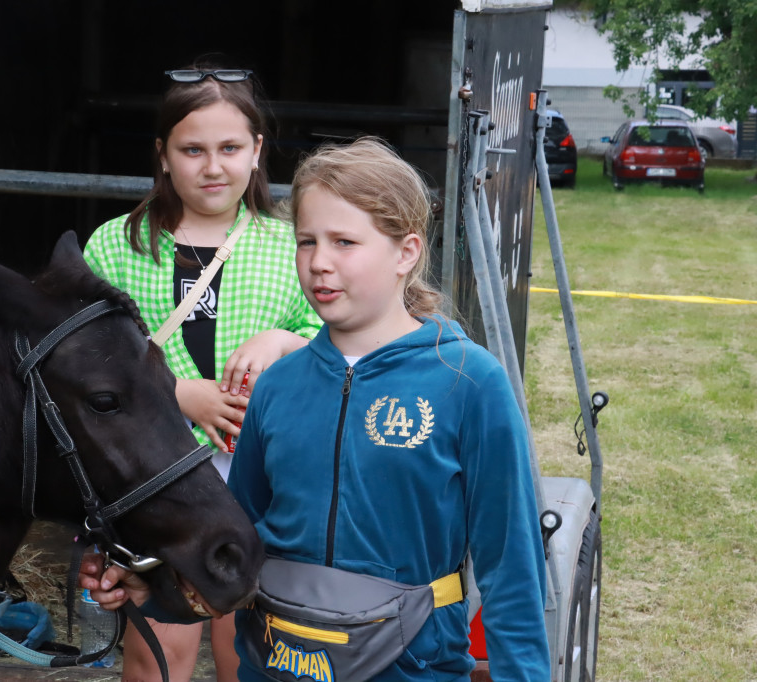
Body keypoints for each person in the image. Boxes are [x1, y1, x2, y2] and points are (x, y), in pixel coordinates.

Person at [81, 137, 551, 681]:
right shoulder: (276, 387)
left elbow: (511, 566)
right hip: (274, 664)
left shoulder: (469, 383)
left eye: (345, 242)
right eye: (306, 242)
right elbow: (238, 547)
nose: (319, 263)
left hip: (413, 667)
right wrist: (151, 584)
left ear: (407, 252)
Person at [81, 60, 321, 682]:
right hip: (157, 477)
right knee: (160, 648)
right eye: (192, 149)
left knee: (248, 646)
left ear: (258, 151)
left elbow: (336, 334)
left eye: (229, 148)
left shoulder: (291, 242)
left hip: (266, 473)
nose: (213, 166)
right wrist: (177, 393)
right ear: (163, 155)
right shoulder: (115, 245)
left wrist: (283, 339)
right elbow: (87, 353)